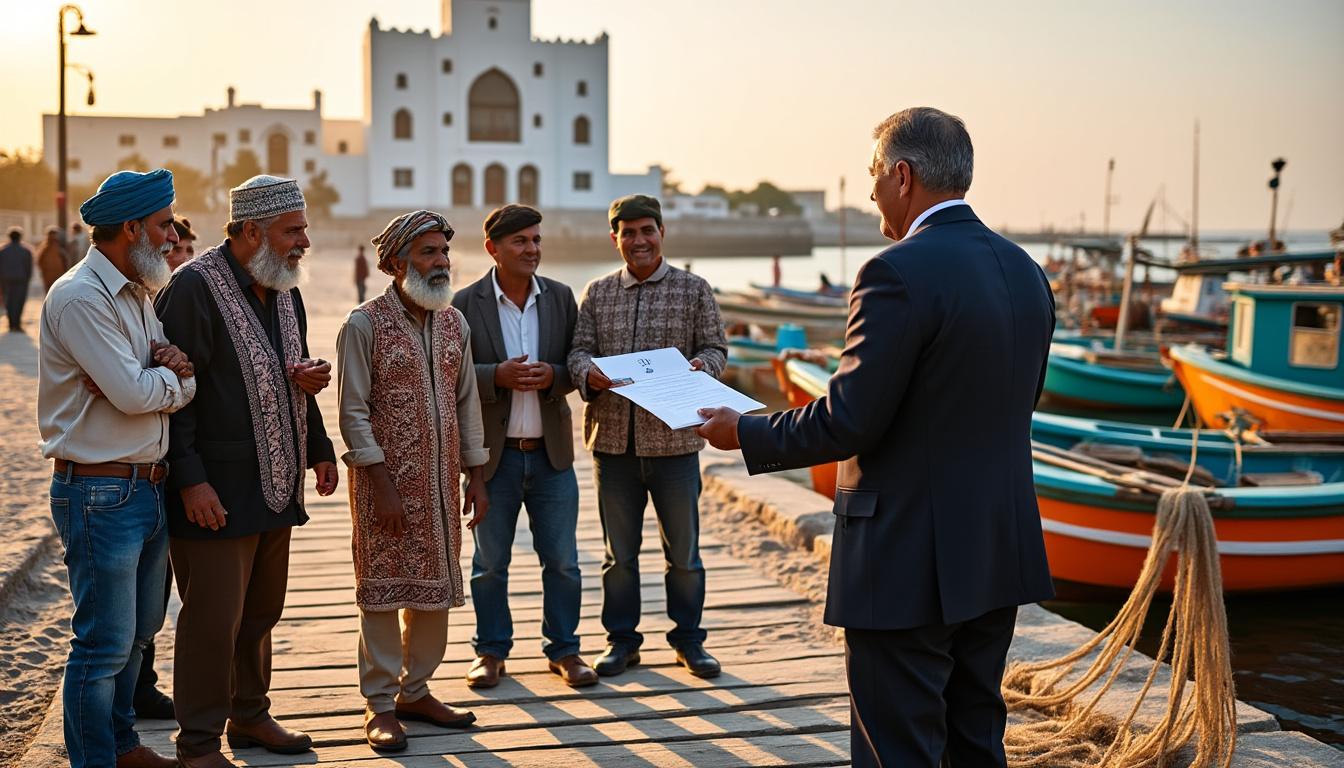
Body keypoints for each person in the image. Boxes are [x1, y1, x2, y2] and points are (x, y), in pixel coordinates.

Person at [696, 107, 1056, 767]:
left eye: (872, 176)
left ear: (902, 175)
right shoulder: (1026, 271)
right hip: (998, 543)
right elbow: (1017, 406)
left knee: (898, 746)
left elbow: (849, 419)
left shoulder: (894, 272)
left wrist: (744, 433)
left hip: (907, 554)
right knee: (976, 737)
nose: (867, 195)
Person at [155, 175, 339, 768]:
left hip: (275, 479)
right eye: (294, 230)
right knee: (213, 618)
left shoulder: (284, 286)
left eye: (304, 228)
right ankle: (199, 742)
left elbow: (295, 372)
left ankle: (251, 713)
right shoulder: (193, 289)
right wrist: (191, 480)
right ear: (252, 231)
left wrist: (319, 446)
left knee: (262, 610)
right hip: (216, 488)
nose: (304, 241)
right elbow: (178, 392)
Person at [37, 168, 193, 768]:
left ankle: (123, 746)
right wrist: (165, 379)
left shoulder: (137, 291)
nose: (173, 233)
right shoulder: (80, 296)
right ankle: (95, 760)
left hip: (145, 487)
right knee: (102, 645)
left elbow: (169, 377)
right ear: (131, 229)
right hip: (99, 490)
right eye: (163, 224)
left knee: (135, 638)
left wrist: (163, 378)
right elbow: (136, 391)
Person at [337, 210, 487, 752]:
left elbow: (466, 402)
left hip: (444, 485)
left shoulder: (455, 323)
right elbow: (352, 411)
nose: (441, 262)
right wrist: (380, 483)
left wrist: (478, 474)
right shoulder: (364, 324)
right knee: (382, 591)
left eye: (445, 252)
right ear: (398, 262)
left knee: (435, 591)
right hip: (386, 486)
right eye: (428, 252)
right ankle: (379, 704)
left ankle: (416, 691)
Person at [566, 194, 728, 679]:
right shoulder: (596, 292)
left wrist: (704, 367)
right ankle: (622, 642)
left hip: (676, 446)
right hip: (612, 446)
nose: (639, 240)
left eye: (647, 231)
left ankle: (689, 640)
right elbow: (578, 352)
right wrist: (588, 374)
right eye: (628, 232)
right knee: (619, 556)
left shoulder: (693, 289)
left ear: (661, 233)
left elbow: (717, 347)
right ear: (614, 237)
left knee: (684, 553)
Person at [452, 205, 594, 690]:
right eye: (520, 242)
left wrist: (554, 375)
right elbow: (448, 378)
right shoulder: (463, 304)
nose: (532, 249)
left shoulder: (560, 297)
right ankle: (490, 651)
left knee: (563, 561)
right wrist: (498, 377)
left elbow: (577, 363)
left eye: (536, 240)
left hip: (553, 456)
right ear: (493, 248)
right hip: (495, 460)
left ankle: (565, 651)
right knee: (490, 564)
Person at [0, 227, 33, 331]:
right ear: (20, 237)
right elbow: (29, 267)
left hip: (6, 279)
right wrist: (28, 278)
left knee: (8, 300)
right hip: (21, 279)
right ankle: (17, 324)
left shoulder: (3, 250)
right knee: (19, 301)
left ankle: (11, 324)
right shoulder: (26, 250)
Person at [39, 226, 68, 292]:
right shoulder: (45, 248)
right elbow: (40, 261)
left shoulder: (59, 248)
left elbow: (65, 261)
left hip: (58, 275)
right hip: (48, 276)